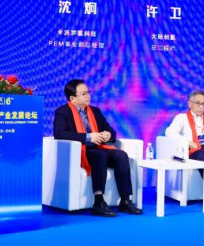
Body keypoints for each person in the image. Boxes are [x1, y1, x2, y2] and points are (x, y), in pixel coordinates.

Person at [53, 79, 142, 217]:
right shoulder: (62, 112)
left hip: (99, 148)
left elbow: (111, 131)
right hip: (80, 151)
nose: (88, 96)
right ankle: (99, 202)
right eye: (84, 94)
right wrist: (89, 137)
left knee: (121, 155)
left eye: (88, 92)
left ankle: (125, 200)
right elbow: (60, 133)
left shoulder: (95, 111)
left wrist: (108, 135)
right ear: (72, 98)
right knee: (100, 155)